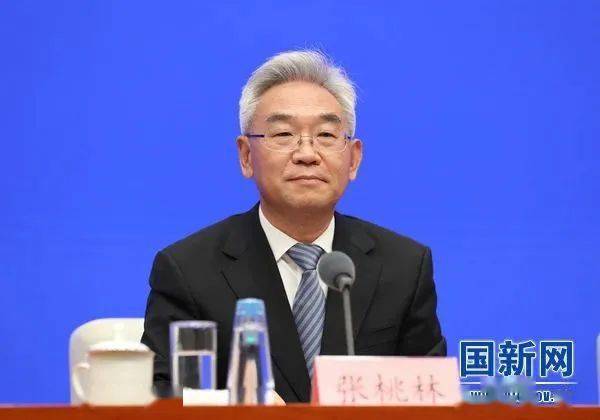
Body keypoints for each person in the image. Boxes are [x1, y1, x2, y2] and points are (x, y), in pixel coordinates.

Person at [141, 50, 446, 403]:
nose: (307, 153)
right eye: (284, 134)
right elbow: (158, 396)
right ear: (246, 156)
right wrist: (236, 403)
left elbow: (432, 395)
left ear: (353, 159)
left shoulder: (404, 266)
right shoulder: (188, 270)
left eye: (326, 135)